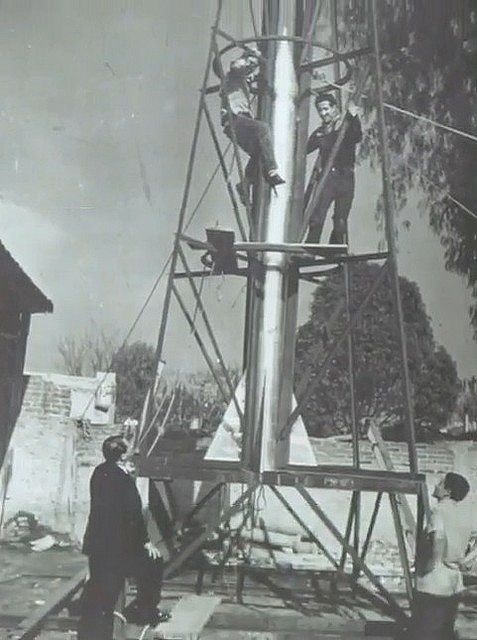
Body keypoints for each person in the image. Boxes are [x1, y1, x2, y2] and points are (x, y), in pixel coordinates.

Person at [77, 435, 168, 640]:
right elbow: (133, 515)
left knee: (100, 590)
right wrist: (146, 542)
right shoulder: (123, 480)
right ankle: (147, 611)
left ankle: (92, 630)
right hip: (118, 550)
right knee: (155, 562)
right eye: (129, 451)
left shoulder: (99, 473)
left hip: (97, 545)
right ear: (122, 456)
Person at [408, 472, 473, 640]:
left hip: (435, 582)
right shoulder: (464, 514)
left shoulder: (438, 510)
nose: (436, 485)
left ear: (447, 491)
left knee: (426, 631)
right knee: (446, 632)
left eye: (441, 483)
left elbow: (439, 537)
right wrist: (466, 560)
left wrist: (431, 566)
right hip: (454, 581)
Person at [221, 49, 285, 204]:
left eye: (254, 65)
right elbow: (236, 66)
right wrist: (249, 60)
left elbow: (251, 82)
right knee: (263, 128)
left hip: (241, 121)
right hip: (234, 118)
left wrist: (260, 81)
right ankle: (271, 170)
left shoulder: (243, 80)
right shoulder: (235, 73)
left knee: (259, 152)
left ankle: (245, 183)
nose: (251, 67)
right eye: (250, 63)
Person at [305, 92, 362, 244]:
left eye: (326, 109)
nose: (324, 113)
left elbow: (357, 136)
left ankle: (336, 247)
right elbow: (304, 149)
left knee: (341, 218)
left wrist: (354, 117)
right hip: (328, 177)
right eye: (320, 110)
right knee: (318, 213)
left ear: (334, 108)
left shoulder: (345, 126)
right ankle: (311, 244)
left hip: (346, 177)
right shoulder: (319, 133)